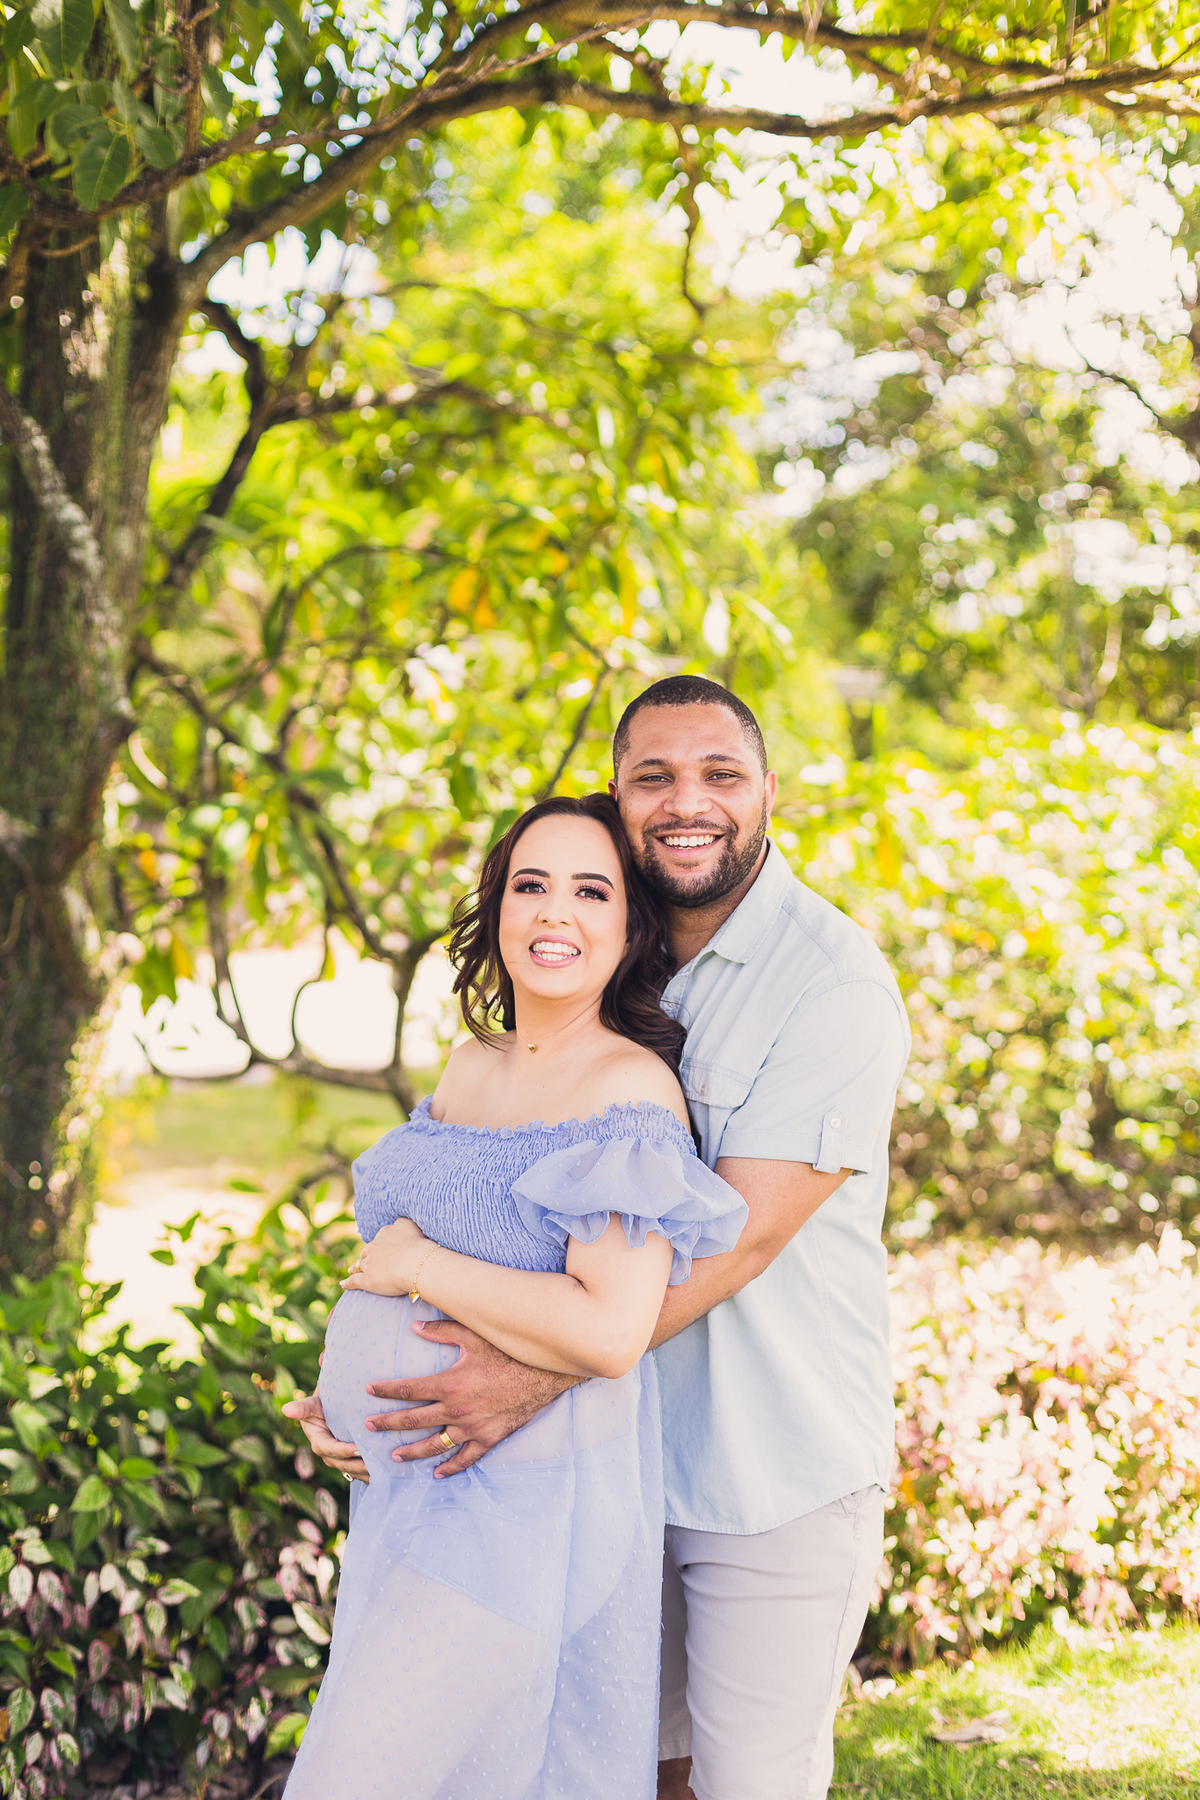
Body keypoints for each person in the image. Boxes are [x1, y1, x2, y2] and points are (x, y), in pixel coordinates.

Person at [287, 676, 911, 1800]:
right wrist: (369, 1399)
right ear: (621, 804)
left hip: (764, 1461)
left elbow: (745, 1240)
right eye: (653, 777)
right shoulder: (609, 958)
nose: (688, 801)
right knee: (623, 1765)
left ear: (769, 791)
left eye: (720, 775)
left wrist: (520, 1378)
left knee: (746, 1784)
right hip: (602, 1468)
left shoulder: (830, 985)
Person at [281, 791, 747, 1800]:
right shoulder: (470, 1061)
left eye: (591, 891)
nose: (555, 914)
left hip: (526, 1508)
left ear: (627, 929)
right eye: (531, 885)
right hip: (417, 1490)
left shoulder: (626, 1091)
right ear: (496, 907)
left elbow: (611, 1329)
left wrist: (416, 1272)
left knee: (354, 1780)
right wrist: (344, 1398)